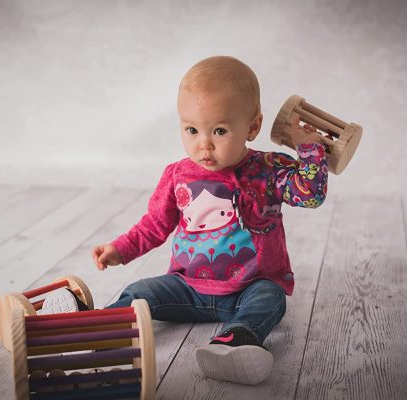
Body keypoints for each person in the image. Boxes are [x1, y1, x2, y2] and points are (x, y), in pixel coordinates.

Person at [91, 55, 328, 385]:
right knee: (139, 290)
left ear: (252, 127)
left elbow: (309, 194)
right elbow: (154, 225)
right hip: (187, 287)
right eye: (191, 129)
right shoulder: (177, 174)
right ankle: (102, 325)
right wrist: (120, 249)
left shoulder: (267, 170)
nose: (203, 145)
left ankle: (233, 342)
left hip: (248, 287)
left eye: (219, 130)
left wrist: (311, 152)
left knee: (271, 300)